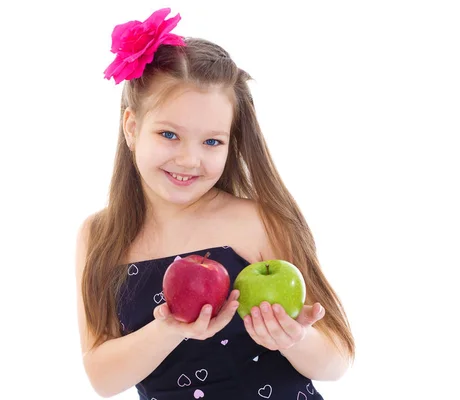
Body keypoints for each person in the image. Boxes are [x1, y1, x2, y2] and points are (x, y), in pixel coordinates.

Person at [75, 8, 355, 400]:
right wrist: (170, 327)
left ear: (230, 143)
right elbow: (102, 380)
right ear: (132, 127)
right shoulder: (99, 235)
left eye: (211, 142)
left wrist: (294, 338)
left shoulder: (254, 221)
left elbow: (337, 360)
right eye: (169, 134)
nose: (189, 159)